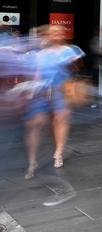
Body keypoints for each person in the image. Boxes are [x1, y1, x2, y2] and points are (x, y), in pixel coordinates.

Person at [24, 25, 84, 179]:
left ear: (63, 34)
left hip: (61, 90)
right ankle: (32, 161)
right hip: (42, 90)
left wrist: (73, 65)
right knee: (36, 123)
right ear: (48, 35)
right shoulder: (41, 53)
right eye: (53, 32)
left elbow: (77, 68)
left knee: (60, 119)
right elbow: (37, 73)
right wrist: (32, 91)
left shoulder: (70, 50)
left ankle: (58, 152)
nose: (56, 35)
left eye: (59, 32)